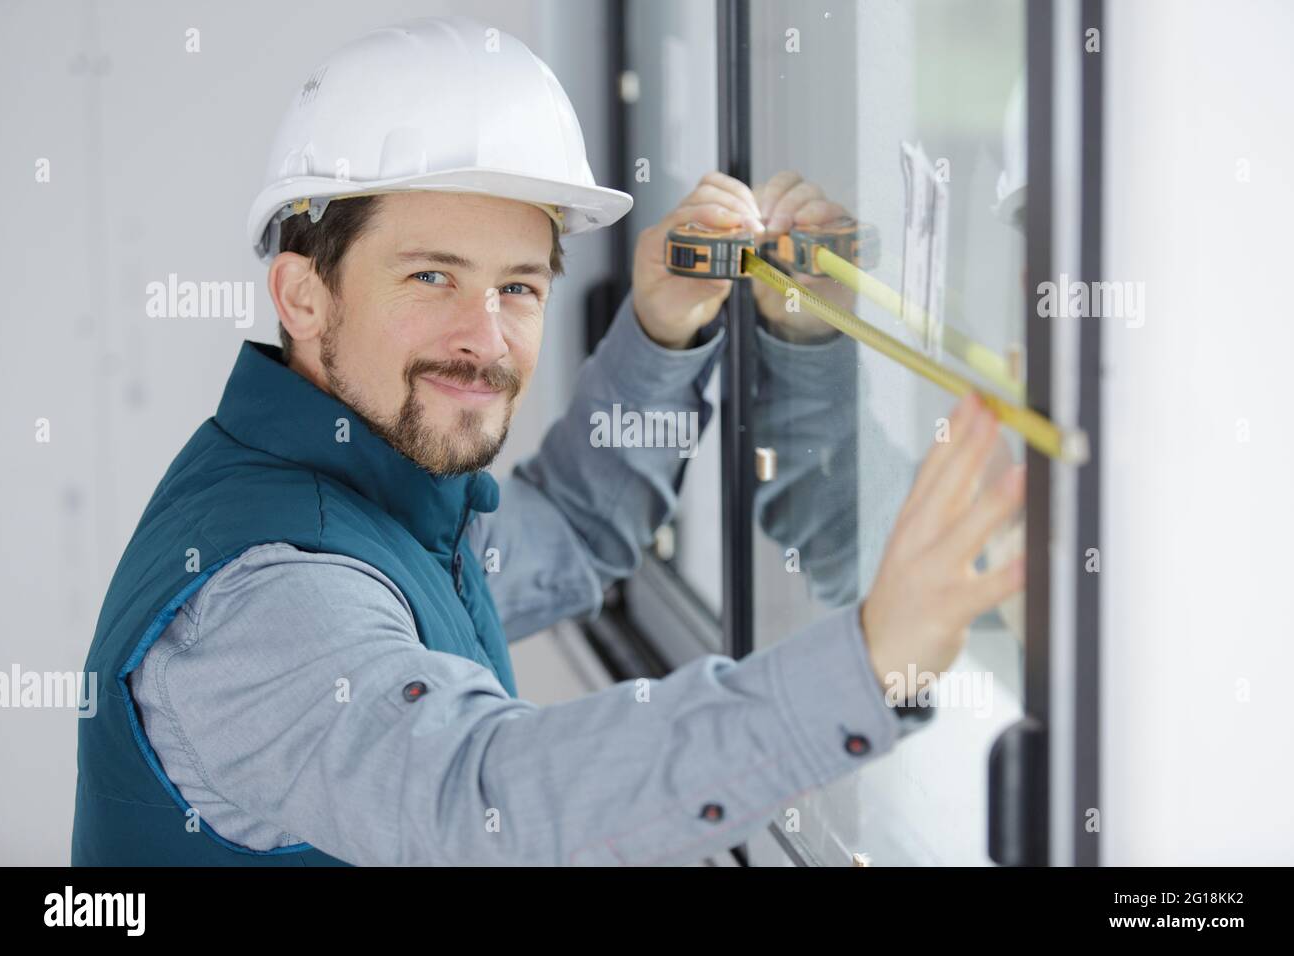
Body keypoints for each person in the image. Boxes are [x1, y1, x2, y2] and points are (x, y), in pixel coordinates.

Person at [71, 16, 1023, 867]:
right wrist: (865, 664)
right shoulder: (270, 596)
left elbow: (567, 533)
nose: (485, 337)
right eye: (432, 278)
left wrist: (666, 330)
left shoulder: (378, 495)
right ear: (302, 295)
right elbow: (487, 803)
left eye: (519, 286)